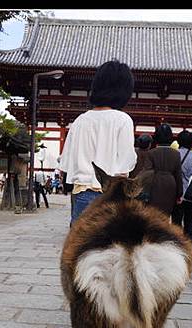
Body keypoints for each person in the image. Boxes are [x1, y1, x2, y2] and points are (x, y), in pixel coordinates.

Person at [59, 60, 137, 224]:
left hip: (80, 194)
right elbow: (126, 164)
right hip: (110, 196)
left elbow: (64, 165)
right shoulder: (123, 120)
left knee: (81, 246)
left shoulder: (79, 121)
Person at [142, 123, 183, 218]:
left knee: (152, 214)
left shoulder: (151, 153)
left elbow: (146, 172)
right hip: (170, 184)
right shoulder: (176, 154)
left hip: (154, 184)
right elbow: (178, 174)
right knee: (165, 214)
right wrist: (179, 193)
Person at [171, 130, 192, 241]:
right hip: (191, 193)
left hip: (176, 192)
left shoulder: (173, 154)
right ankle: (189, 240)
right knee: (190, 219)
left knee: (176, 219)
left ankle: (176, 239)